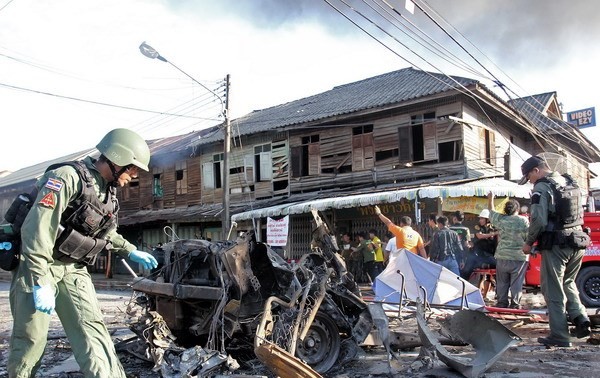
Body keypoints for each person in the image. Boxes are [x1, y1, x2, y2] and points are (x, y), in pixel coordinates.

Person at [8, 128, 159, 377]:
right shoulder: (65, 177)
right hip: (39, 265)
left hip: (74, 268)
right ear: (117, 158)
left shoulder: (107, 193)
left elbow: (105, 233)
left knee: (92, 331)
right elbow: (37, 230)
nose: (133, 176)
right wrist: (39, 279)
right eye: (132, 168)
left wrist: (131, 250)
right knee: (31, 340)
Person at [520, 155, 591, 347]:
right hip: (578, 240)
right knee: (568, 282)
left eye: (529, 177)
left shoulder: (542, 187)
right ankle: (580, 317)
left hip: (557, 243)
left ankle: (559, 335)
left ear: (536, 170)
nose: (530, 182)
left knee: (553, 289)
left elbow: (539, 220)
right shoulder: (569, 181)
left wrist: (528, 242)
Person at [488, 194, 529, 309]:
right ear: (517, 209)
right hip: (519, 257)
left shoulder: (501, 219)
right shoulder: (523, 220)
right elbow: (528, 237)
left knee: (502, 282)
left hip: (502, 256)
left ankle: (502, 303)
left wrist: (490, 198)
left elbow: (491, 211)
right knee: (516, 282)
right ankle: (515, 305)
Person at [461, 209, 497, 280]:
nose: (480, 220)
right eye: (480, 218)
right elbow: (479, 236)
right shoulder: (477, 227)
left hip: (488, 255)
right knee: (466, 272)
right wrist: (493, 234)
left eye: (482, 218)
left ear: (487, 219)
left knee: (498, 266)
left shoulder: (492, 228)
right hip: (476, 255)